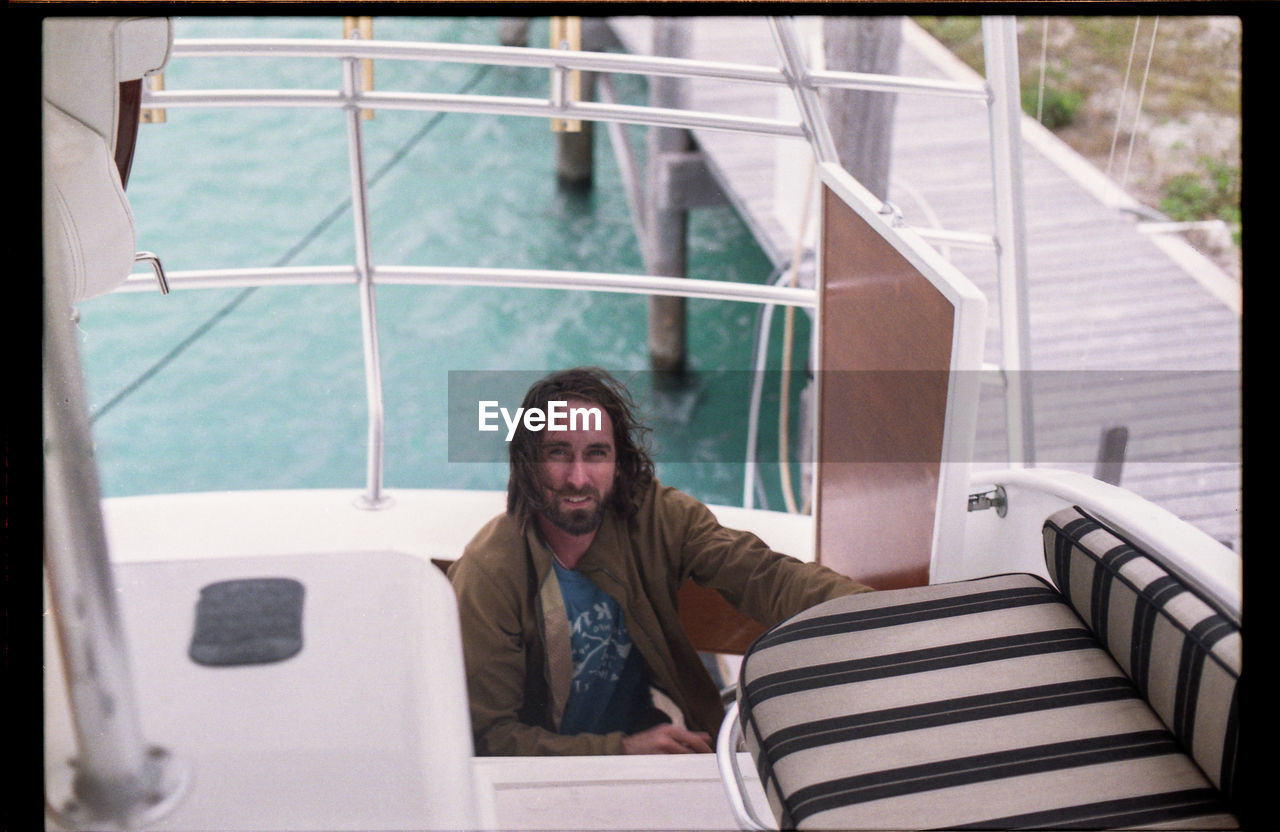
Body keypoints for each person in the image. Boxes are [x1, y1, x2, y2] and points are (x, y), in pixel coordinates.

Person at [448, 367, 873, 756]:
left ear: (619, 461)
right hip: (553, 766)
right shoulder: (489, 574)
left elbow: (765, 576)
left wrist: (878, 614)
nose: (578, 478)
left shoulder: (654, 515)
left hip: (645, 728)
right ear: (527, 463)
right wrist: (622, 750)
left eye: (596, 453)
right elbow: (490, 738)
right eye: (558, 453)